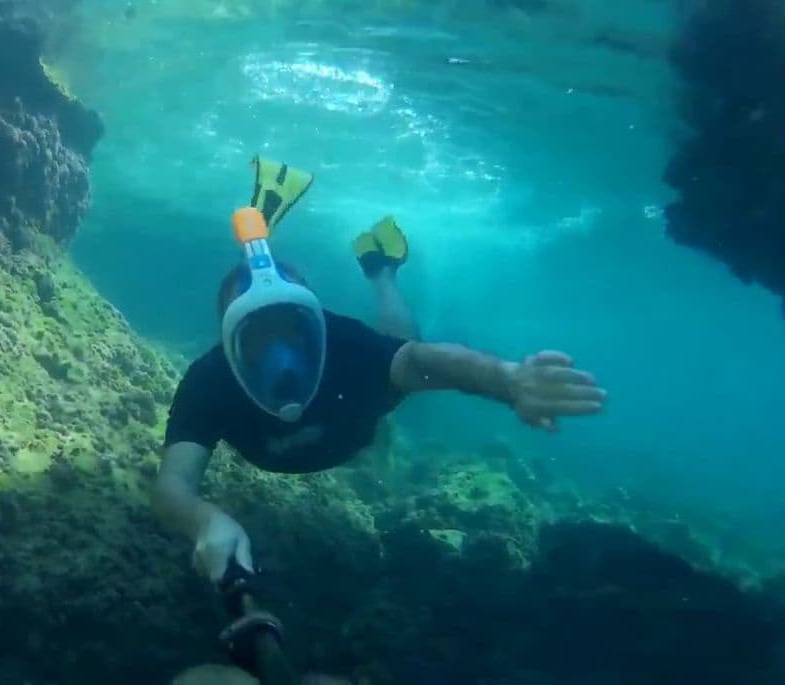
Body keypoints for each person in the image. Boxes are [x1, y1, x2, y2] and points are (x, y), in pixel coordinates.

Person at [152, 155, 608, 587]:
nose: (282, 357)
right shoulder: (209, 382)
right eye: (256, 337)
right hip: (347, 423)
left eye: (293, 330)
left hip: (362, 414)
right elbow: (173, 485)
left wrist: (504, 380)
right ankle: (379, 268)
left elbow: (420, 360)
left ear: (318, 321)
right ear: (226, 339)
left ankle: (382, 273)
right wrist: (203, 519)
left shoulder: (346, 343)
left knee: (401, 346)